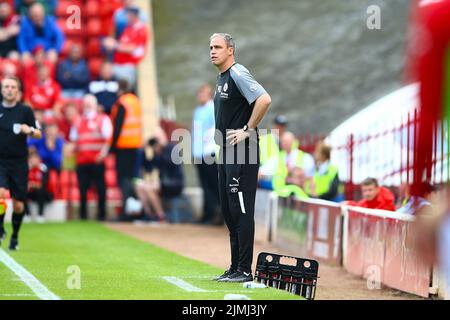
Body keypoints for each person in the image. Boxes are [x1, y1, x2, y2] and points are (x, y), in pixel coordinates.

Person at [210, 33, 272, 283]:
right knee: (229, 210)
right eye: (210, 47)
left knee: (241, 210)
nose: (212, 51)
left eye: (217, 47)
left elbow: (264, 99)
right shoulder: (221, 77)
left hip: (243, 152)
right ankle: (235, 266)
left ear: (230, 50)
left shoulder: (238, 73)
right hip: (226, 152)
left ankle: (246, 269)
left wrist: (248, 129)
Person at [0, 76, 42, 250]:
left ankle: (15, 236)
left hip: (18, 163)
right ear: (2, 90)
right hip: (1, 160)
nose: (9, 89)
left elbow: (39, 133)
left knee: (18, 204)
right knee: (0, 193)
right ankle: (0, 228)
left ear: (17, 91)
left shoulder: (25, 111)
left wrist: (29, 130)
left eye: (13, 87)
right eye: (6, 86)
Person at [70, 95, 112, 221]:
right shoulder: (77, 120)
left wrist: (103, 154)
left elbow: (108, 138)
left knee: (100, 188)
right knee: (82, 188)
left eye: (90, 103)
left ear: (95, 105)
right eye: (86, 103)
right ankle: (83, 215)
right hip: (82, 161)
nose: (87, 106)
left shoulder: (102, 119)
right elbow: (74, 140)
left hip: (97, 160)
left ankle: (102, 215)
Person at [110, 79, 143, 219]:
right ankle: (135, 210)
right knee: (133, 178)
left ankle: (126, 211)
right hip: (135, 145)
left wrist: (112, 147)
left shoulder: (122, 103)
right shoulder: (135, 101)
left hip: (123, 146)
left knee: (123, 180)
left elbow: (118, 127)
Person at [192, 84, 221, 225]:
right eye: (200, 93)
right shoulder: (198, 110)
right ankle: (207, 214)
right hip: (198, 153)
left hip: (209, 152)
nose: (201, 96)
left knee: (213, 185)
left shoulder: (212, 108)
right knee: (204, 185)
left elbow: (216, 127)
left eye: (204, 93)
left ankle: (216, 214)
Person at [103, 6, 149, 89]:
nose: (127, 17)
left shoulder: (141, 30)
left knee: (124, 87)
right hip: (119, 63)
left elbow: (131, 49)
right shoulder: (128, 27)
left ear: (134, 16)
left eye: (128, 15)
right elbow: (122, 43)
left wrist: (114, 45)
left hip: (129, 66)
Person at [272, 132, 315, 197]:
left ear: (294, 141)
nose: (285, 143)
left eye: (287, 141)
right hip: (280, 195)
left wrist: (313, 196)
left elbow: (310, 179)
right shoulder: (277, 157)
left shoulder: (306, 158)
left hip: (301, 195)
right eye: (283, 141)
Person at [26, 147, 52, 222]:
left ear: (39, 159)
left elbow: (43, 184)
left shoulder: (43, 168)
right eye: (32, 158)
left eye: (35, 158)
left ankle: (40, 215)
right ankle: (27, 215)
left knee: (41, 191)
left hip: (44, 194)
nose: (34, 160)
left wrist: (32, 184)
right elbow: (24, 183)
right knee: (22, 191)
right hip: (31, 192)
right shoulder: (27, 169)